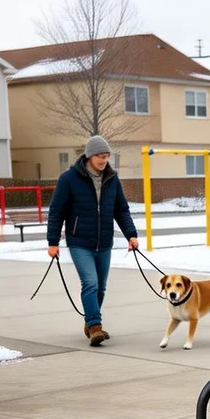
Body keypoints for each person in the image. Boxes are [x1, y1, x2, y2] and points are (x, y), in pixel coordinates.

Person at [47, 135, 138, 346]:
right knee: (90, 283)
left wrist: (131, 235)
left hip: (104, 241)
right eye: (100, 156)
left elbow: (121, 210)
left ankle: (90, 322)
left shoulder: (112, 179)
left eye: (106, 156)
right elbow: (56, 211)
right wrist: (53, 242)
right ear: (89, 156)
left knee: (101, 287)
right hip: (79, 241)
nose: (103, 160)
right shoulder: (69, 178)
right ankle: (96, 326)